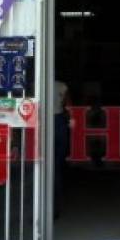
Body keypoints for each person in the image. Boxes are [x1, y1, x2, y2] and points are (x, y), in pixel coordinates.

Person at [52, 78, 70, 220]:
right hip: (58, 122)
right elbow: (67, 104)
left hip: (50, 121)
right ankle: (54, 208)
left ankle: (52, 208)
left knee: (45, 169)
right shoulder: (62, 86)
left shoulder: (37, 84)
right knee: (57, 168)